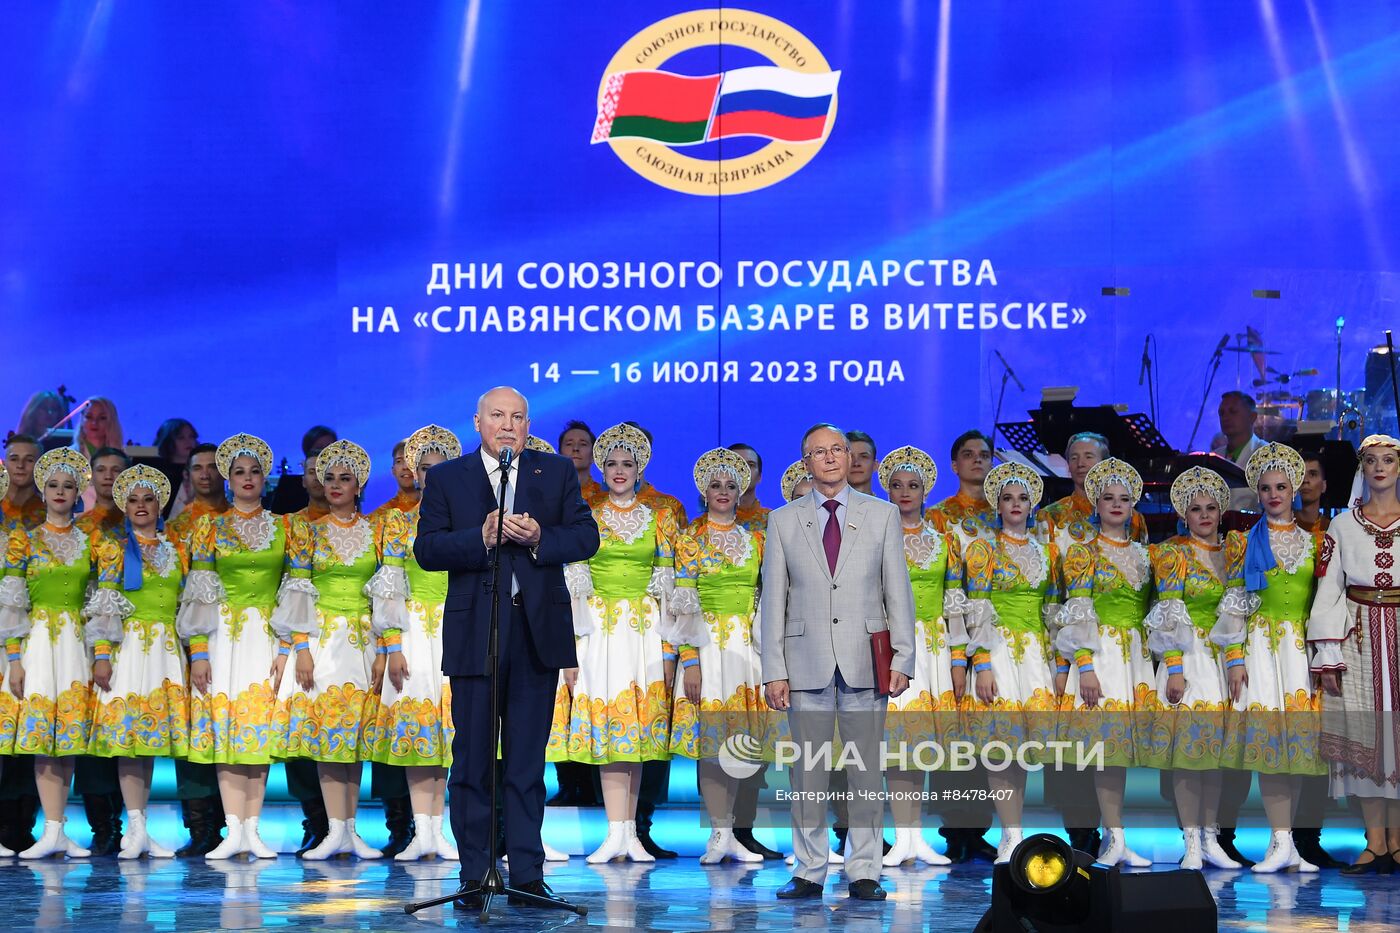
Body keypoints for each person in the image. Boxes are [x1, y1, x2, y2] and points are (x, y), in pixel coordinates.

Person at [416, 386, 599, 910]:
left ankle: (528, 875)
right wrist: (481, 537)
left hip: (537, 634)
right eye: (497, 416)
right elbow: (427, 549)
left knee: (526, 764)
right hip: (477, 634)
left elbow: (586, 537)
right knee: (472, 762)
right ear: (478, 423)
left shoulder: (555, 472)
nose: (507, 425)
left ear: (527, 426)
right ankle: (474, 874)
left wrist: (540, 536)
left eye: (517, 417)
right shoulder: (449, 477)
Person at [761, 423, 916, 902]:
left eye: (836, 450)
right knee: (807, 773)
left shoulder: (882, 514)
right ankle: (809, 869)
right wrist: (774, 669)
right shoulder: (782, 520)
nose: (828, 458)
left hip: (865, 658)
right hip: (803, 659)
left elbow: (898, 591)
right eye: (818, 452)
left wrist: (903, 657)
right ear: (805, 462)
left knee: (865, 771)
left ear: (849, 457)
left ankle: (864, 870)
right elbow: (773, 600)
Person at [269, 439, 409, 861]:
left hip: (364, 642)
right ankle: (333, 830)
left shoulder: (378, 530)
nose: (334, 485)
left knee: (354, 738)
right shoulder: (306, 532)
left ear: (358, 485)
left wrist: (385, 648)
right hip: (322, 640)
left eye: (344, 478)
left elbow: (386, 592)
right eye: (328, 477)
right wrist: (300, 649)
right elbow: (297, 592)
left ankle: (350, 831)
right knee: (328, 737)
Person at [548, 422, 679, 865]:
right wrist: (569, 650)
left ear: (640, 469)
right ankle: (613, 833)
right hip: (600, 632)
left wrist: (669, 651)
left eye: (628, 463)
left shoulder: (660, 517)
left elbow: (667, 588)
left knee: (639, 733)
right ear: (601, 469)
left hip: (644, 632)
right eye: (612, 464)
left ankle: (631, 835)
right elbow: (574, 586)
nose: (619, 471)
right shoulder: (585, 514)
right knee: (609, 731)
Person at [1215, 442, 1325, 873]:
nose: (1274, 494)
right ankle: (1278, 841)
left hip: (1299, 652)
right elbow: (1234, 602)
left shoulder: (1315, 543)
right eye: (1266, 488)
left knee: (1296, 750)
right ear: (1257, 493)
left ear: (1294, 489)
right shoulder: (1244, 543)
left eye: (1281, 487)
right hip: (1261, 649)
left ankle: (1289, 844)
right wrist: (1235, 658)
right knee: (1272, 750)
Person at [177, 434, 287, 860]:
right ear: (228, 479)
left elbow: (294, 589)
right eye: (239, 472)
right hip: (224, 636)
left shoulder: (286, 527)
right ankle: (233, 829)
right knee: (227, 730)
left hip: (266, 635)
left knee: (258, 731)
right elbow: (199, 593)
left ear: (265, 478)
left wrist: (286, 648)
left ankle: (253, 829)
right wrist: (199, 652)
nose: (247, 478)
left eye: (254, 471)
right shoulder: (210, 528)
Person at [362, 425, 460, 862]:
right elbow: (390, 589)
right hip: (416, 631)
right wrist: (392, 646)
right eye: (424, 469)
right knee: (420, 731)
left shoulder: (470, 520)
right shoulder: (399, 524)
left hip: (458, 626)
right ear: (414, 474)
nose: (430, 476)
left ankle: (441, 832)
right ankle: (422, 832)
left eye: (439, 469)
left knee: (451, 733)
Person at [666, 448, 768, 864]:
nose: (723, 491)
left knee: (739, 742)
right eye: (715, 485)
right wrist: (690, 660)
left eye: (730, 485)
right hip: (707, 647)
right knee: (710, 745)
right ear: (703, 492)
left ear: (741, 491)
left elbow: (763, 595)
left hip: (745, 647)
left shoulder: (756, 539)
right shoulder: (690, 539)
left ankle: (734, 833)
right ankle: (718, 833)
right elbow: (683, 603)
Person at [1053, 458, 1156, 867]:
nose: (1116, 504)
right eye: (1108, 497)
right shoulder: (1084, 553)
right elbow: (1077, 609)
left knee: (1120, 754)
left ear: (1133, 506)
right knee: (1103, 752)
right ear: (1095, 504)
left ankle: (1117, 837)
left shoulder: (1146, 555)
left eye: (1124, 499)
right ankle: (1111, 836)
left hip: (1135, 658)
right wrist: (1084, 666)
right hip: (1102, 655)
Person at [84, 464, 189, 859]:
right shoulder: (114, 550)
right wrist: (102, 656)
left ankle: (141, 828)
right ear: (124, 507)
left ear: (160, 505)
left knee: (149, 740)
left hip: (164, 650)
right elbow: (105, 606)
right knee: (129, 741)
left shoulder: (176, 550)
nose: (141, 505)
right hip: (129, 648)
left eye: (148, 499)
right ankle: (134, 827)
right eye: (133, 500)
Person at [1143, 467, 1245, 869]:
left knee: (1213, 755)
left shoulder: (1232, 553)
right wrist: (1174, 668)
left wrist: (1235, 663)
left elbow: (1234, 613)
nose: (1204, 515)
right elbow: (1169, 612)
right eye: (1196, 509)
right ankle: (1190, 841)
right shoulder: (1173, 554)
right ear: (1184, 515)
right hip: (1188, 657)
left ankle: (1210, 838)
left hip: (1219, 660)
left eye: (1210, 508)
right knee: (1187, 755)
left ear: (1221, 513)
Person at [959, 462, 1060, 865]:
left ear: (1032, 505)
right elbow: (977, 607)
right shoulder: (983, 550)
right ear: (997, 505)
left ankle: (1013, 829)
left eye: (1022, 498)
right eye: (1008, 498)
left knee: (1024, 750)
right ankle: (1011, 833)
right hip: (998, 651)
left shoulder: (1047, 551)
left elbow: (1052, 611)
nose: (1015, 504)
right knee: (1000, 747)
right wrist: (982, 664)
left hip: (1034, 655)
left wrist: (1058, 665)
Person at [1310, 435, 1400, 873]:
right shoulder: (1343, 526)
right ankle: (1375, 839)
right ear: (1361, 468)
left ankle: (1398, 839)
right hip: (1359, 634)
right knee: (1367, 737)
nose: (1380, 467)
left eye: (1389, 460)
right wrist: (1327, 652)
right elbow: (1329, 588)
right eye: (1371, 461)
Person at [1, 449, 97, 858]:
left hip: (74, 642)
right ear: (43, 492)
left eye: (68, 486)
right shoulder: (23, 542)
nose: (60, 492)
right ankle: (46, 832)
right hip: (38, 641)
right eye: (53, 485)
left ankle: (57, 829)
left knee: (68, 736)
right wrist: (14, 658)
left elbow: (97, 598)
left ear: (77, 494)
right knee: (43, 738)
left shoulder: (93, 543)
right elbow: (11, 603)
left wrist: (100, 650)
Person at [877, 446, 959, 867]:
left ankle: (916, 836)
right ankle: (900, 836)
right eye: (896, 485)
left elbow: (955, 601)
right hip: (892, 645)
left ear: (926, 491)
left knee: (922, 742)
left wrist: (959, 659)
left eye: (913, 485)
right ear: (887, 491)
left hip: (933, 645)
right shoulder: (875, 539)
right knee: (896, 742)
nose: (905, 492)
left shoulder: (945, 542)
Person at [925, 429, 998, 862]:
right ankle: (954, 828)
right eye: (968, 455)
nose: (977, 460)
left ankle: (981, 826)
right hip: (951, 628)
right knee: (953, 734)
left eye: (983, 454)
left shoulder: (1006, 511)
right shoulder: (938, 517)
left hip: (994, 632)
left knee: (989, 733)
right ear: (954, 465)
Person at [163, 441, 230, 855]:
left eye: (212, 467)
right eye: (197, 467)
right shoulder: (178, 527)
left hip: (236, 636)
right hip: (191, 635)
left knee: (232, 721)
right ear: (187, 475)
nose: (205, 474)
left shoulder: (243, 520)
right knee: (194, 727)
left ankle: (237, 820)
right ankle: (201, 825)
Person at [1041, 433, 1149, 543]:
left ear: (1104, 464)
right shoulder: (1050, 516)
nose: (1080, 464)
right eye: (1074, 458)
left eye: (1088, 457)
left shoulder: (1132, 518)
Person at [1213, 391, 1268, 510]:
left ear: (1252, 417)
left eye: (1233, 412)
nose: (1226, 418)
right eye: (1222, 413)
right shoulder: (1214, 457)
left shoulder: (1267, 455)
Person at [78, 447, 130, 537]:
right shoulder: (79, 527)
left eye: (116, 470)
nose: (108, 476)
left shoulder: (138, 524)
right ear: (91, 477)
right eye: (101, 470)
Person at [156, 419, 201, 520]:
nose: (188, 441)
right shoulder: (159, 476)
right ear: (168, 442)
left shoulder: (202, 472)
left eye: (191, 437)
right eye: (181, 438)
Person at [2, 435, 45, 530]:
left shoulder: (52, 510)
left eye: (29, 460)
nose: (20, 465)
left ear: (40, 466)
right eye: (14, 459)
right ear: (4, 464)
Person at [559, 420, 604, 506]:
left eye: (583, 444)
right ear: (559, 454)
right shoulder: (549, 495)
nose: (575, 448)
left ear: (593, 455)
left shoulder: (606, 497)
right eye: (569, 444)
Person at [728, 443, 769, 532]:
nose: (743, 470)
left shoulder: (773, 522)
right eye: (736, 464)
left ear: (759, 476)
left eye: (750, 465)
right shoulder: (704, 525)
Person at [71, 397, 124, 462]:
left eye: (102, 418)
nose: (94, 422)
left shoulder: (121, 458)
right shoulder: (69, 456)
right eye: (89, 417)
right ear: (82, 420)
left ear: (111, 422)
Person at [1296, 451, 1330, 533]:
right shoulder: (1281, 528)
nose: (1305, 480)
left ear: (1324, 486)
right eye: (1300, 475)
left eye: (1312, 474)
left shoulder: (1332, 530)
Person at [846, 430, 878, 496]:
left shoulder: (885, 503)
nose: (856, 463)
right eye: (850, 457)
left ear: (875, 465)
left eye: (864, 457)